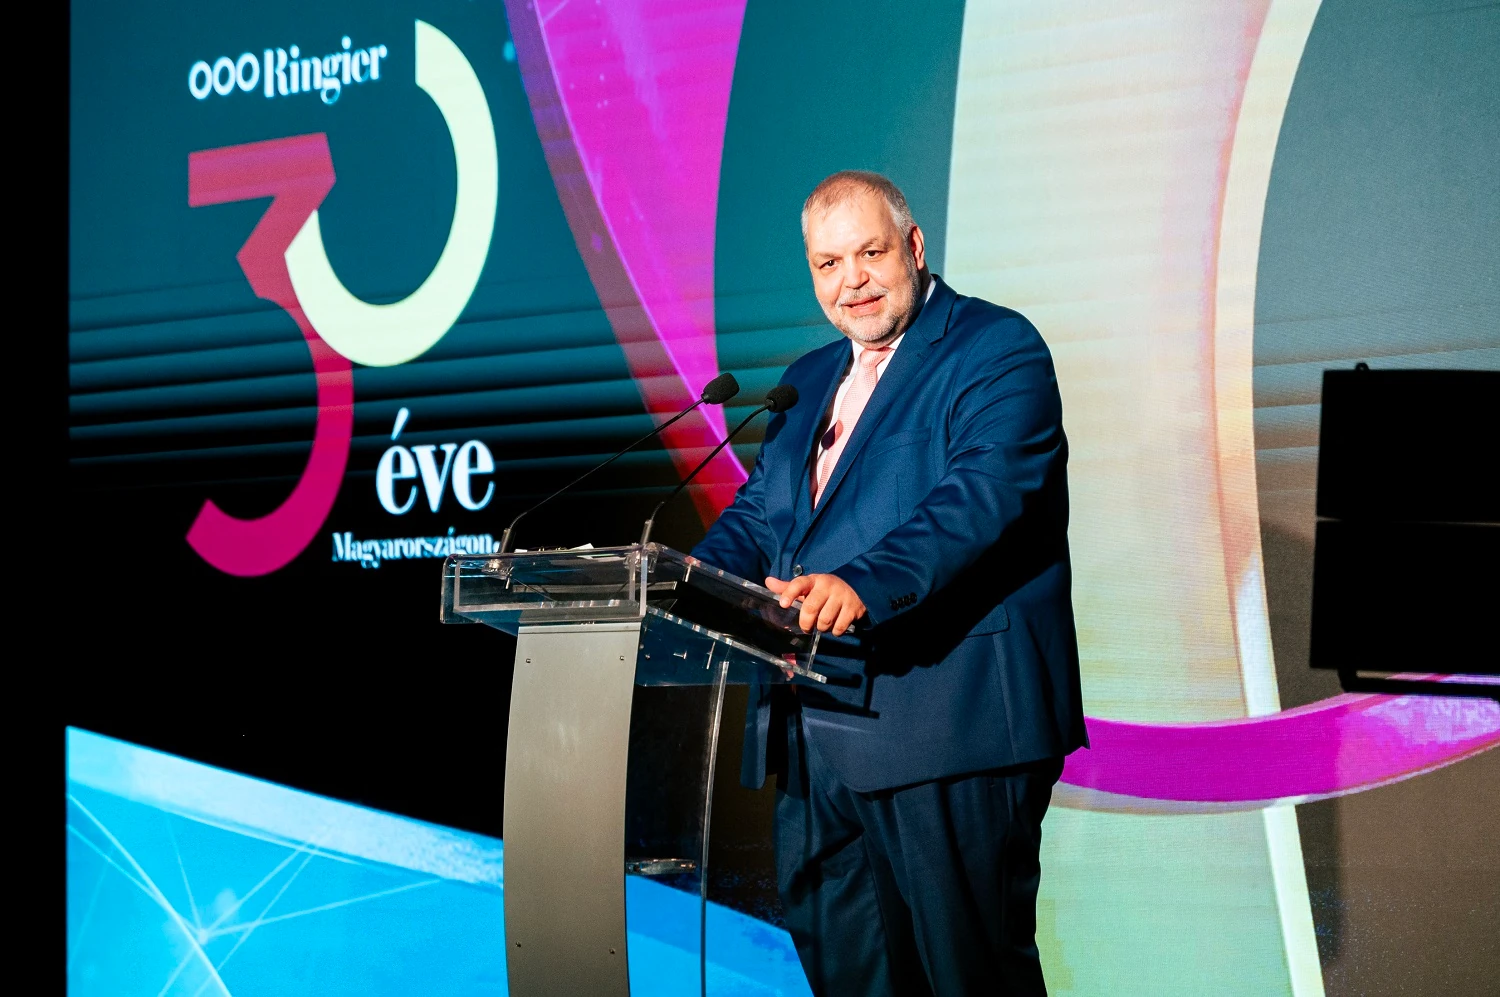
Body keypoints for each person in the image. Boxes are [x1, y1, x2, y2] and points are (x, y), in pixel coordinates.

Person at [691, 170, 1087, 995]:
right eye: (828, 263)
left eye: (869, 253)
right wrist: (683, 581)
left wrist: (861, 584)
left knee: (970, 977)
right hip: (815, 735)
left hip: (950, 721)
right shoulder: (807, 379)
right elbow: (765, 514)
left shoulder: (995, 348)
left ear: (913, 246)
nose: (853, 281)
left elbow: (980, 498)